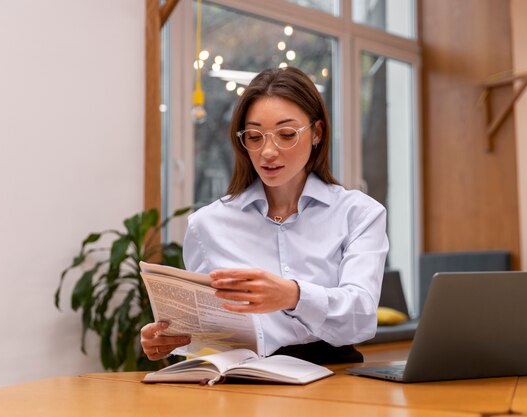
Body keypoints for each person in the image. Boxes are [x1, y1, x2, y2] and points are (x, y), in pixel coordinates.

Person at [141, 66, 389, 364]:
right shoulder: (207, 225)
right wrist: (169, 338)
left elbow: (360, 317)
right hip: (247, 377)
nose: (268, 151)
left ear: (317, 133)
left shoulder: (359, 214)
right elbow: (207, 328)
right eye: (255, 137)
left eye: (286, 134)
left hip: (334, 371)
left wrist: (292, 295)